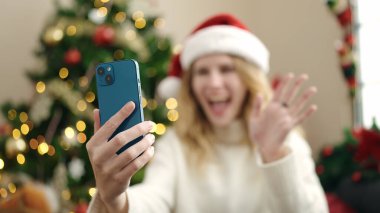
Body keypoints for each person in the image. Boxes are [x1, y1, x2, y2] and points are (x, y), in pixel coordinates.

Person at [86, 13, 329, 213]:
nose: (214, 83)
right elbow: (152, 199)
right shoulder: (177, 146)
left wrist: (274, 155)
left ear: (248, 80)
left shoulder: (284, 142)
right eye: (202, 72)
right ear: (190, 85)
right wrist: (114, 198)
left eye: (226, 69)